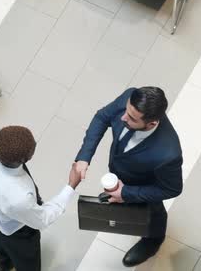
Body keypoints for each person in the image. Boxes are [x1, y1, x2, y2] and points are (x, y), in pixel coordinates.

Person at [73, 86, 183, 267]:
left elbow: (172, 188)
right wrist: (84, 157)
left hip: (143, 187)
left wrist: (126, 194)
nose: (123, 116)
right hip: (121, 171)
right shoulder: (130, 98)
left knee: (154, 212)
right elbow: (102, 117)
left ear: (152, 123)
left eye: (131, 118)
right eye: (126, 110)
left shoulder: (168, 154)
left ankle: (153, 240)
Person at [0, 126, 82, 271]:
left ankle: (4, 264)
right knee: (28, 261)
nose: (35, 143)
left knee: (0, 238)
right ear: (24, 160)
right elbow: (42, 219)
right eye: (32, 149)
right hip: (17, 231)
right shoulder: (19, 198)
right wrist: (71, 186)